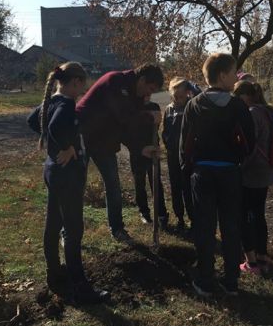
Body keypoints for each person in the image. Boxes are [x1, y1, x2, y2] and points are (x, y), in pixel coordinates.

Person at [27, 63, 109, 304]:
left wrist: (55, 147)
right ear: (75, 82)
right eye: (82, 84)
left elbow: (33, 121)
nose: (83, 89)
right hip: (67, 176)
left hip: (53, 171)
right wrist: (66, 146)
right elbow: (53, 126)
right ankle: (80, 288)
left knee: (53, 224)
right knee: (74, 231)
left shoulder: (50, 101)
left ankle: (54, 273)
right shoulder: (65, 104)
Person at [180, 53, 255, 297]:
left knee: (204, 226)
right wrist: (237, 158)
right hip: (230, 173)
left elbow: (186, 144)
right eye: (234, 72)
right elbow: (249, 142)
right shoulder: (238, 106)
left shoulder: (194, 104)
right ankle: (231, 280)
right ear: (222, 75)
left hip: (202, 173)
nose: (236, 77)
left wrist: (188, 167)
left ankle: (205, 279)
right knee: (231, 226)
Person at [76, 64, 164, 242]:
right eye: (150, 88)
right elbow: (123, 115)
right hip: (81, 136)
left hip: (104, 141)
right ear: (142, 80)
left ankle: (117, 229)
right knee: (76, 186)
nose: (149, 95)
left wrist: (141, 148)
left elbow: (128, 128)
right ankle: (68, 231)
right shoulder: (114, 81)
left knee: (113, 185)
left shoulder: (137, 97)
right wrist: (148, 116)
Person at [233, 81, 273, 275]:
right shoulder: (269, 111)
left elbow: (250, 147)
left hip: (252, 172)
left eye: (239, 98)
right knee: (258, 215)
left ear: (246, 95)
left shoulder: (253, 113)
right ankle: (263, 257)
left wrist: (239, 167)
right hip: (267, 170)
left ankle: (251, 262)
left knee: (245, 215)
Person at [129, 96, 168, 227]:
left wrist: (155, 118)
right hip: (137, 150)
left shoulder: (154, 106)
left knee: (156, 181)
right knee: (139, 182)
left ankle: (161, 213)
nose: (147, 95)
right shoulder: (133, 107)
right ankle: (144, 213)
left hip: (153, 147)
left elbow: (157, 125)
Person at [162, 77, 194, 232]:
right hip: (173, 155)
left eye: (181, 96)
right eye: (175, 97)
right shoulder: (168, 110)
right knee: (176, 187)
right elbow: (165, 131)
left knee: (188, 187)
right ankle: (180, 217)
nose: (178, 100)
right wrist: (168, 143)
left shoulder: (192, 106)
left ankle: (194, 218)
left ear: (187, 93)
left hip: (188, 155)